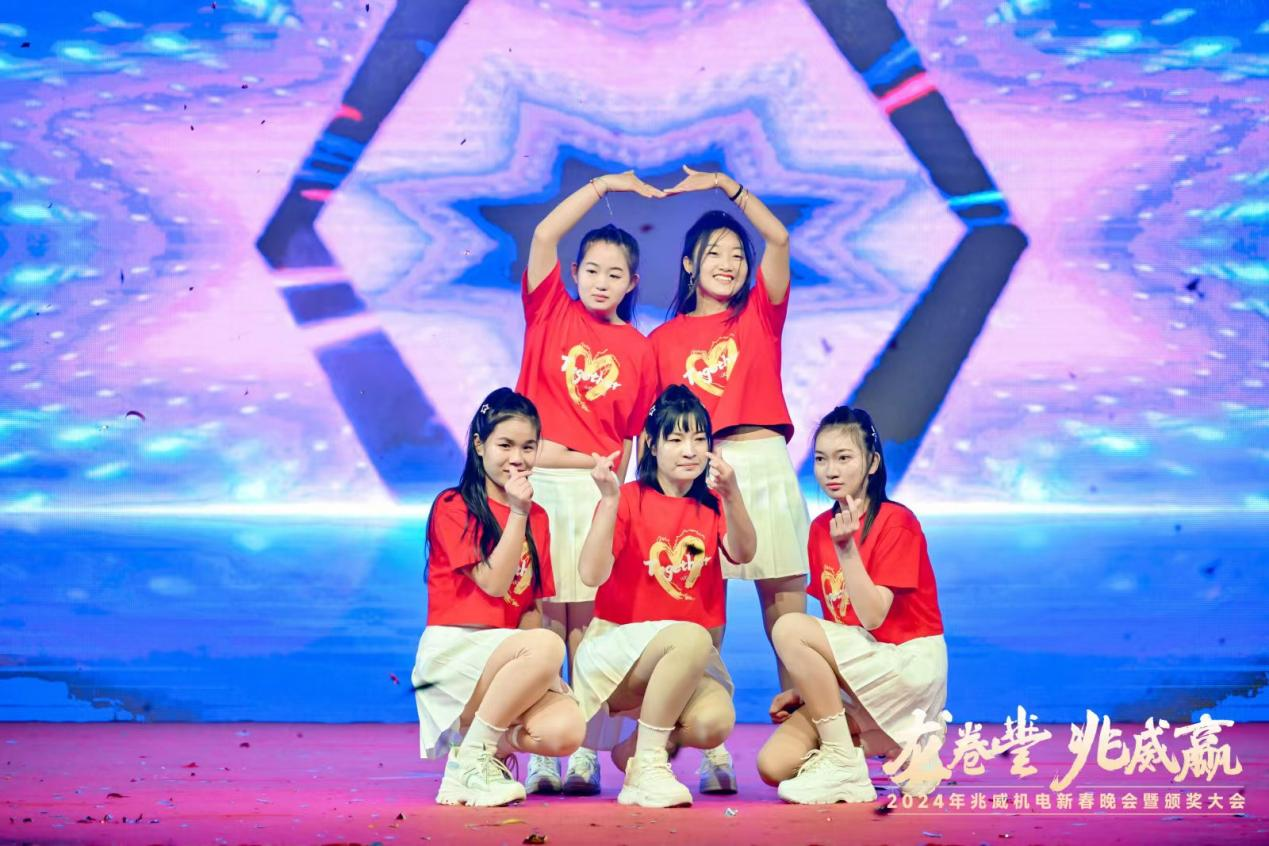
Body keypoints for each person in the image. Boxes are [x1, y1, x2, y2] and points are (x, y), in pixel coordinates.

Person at [649, 166, 809, 791]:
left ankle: (807, 742)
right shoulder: (662, 340)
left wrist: (727, 186)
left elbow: (781, 239)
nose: (728, 263)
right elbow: (656, 429)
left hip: (763, 462)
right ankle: (708, 745)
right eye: (714, 253)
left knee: (786, 616)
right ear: (689, 264)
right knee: (701, 613)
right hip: (698, 471)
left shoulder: (761, 315)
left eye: (737, 255)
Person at [515, 171, 662, 795]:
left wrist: (614, 503)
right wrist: (605, 185)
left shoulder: (639, 349)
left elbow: (628, 440)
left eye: (615, 274)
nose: (602, 282)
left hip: (597, 492)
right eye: (592, 270)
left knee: (589, 626)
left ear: (632, 282)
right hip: (537, 484)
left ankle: (584, 750)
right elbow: (545, 233)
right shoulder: (548, 309)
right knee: (544, 620)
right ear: (574, 272)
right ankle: (543, 747)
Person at [571, 385, 756, 807]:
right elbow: (591, 574)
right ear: (651, 445)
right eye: (675, 439)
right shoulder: (627, 498)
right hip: (620, 654)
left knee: (714, 722)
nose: (690, 450)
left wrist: (733, 495)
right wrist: (609, 501)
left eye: (699, 439)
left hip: (685, 657)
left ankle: (635, 751)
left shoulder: (713, 503)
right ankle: (650, 768)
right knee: (691, 635)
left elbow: (744, 552)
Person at [756, 406, 947, 804]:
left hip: (906, 663)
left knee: (788, 626)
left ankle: (845, 761)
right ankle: (905, 748)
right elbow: (840, 629)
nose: (831, 470)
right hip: (863, 666)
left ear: (872, 462)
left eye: (844, 458)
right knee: (773, 765)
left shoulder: (897, 522)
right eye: (821, 459)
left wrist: (847, 551)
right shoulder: (819, 529)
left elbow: (873, 616)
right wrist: (808, 688)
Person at [411, 388, 585, 807]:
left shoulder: (539, 517)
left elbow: (530, 607)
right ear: (479, 445)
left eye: (528, 447)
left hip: (508, 656)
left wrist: (543, 674)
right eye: (505, 445)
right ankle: (474, 758)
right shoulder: (453, 506)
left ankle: (473, 758)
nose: (517, 458)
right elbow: (493, 583)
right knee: (548, 644)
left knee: (567, 728)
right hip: (456, 653)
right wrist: (517, 514)